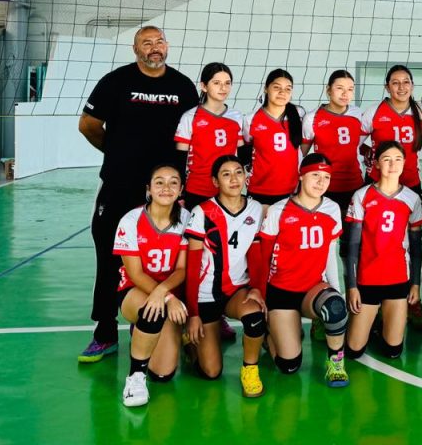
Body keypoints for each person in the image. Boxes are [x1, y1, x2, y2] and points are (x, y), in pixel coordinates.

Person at [77, 25, 198, 363]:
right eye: (147, 43)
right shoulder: (115, 81)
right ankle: (105, 332)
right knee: (108, 256)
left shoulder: (183, 86)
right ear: (136, 49)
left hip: (166, 191)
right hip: (120, 186)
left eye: (160, 42)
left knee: (177, 258)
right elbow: (88, 124)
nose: (154, 48)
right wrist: (115, 153)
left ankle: (191, 319)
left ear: (167, 46)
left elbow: (194, 131)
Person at [256, 153, 351, 387]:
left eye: (326, 177)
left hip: (312, 289)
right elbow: (263, 258)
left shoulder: (332, 209)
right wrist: (263, 297)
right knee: (289, 365)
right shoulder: (279, 210)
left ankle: (336, 363)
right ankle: (270, 335)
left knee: (336, 307)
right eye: (315, 175)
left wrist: (336, 290)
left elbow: (329, 254)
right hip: (282, 292)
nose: (321, 182)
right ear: (301, 176)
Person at [184, 156, 268, 397]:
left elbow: (255, 254)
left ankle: (250, 369)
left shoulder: (255, 208)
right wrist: (193, 314)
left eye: (238, 172)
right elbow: (192, 268)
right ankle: (190, 344)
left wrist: (257, 289)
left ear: (246, 176)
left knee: (255, 317)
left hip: (235, 291)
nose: (234, 179)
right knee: (211, 371)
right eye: (226, 174)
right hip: (205, 295)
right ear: (215, 181)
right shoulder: (202, 212)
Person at [360, 66, 422, 328]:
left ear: (412, 85)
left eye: (406, 82)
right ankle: (377, 303)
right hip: (377, 186)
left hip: (410, 185)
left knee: (412, 244)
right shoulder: (374, 112)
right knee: (376, 243)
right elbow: (358, 143)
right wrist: (369, 158)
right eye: (395, 83)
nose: (401, 87)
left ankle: (413, 301)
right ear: (387, 86)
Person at [113, 163, 190, 407]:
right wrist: (165, 297)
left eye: (173, 182)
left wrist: (165, 293)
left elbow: (182, 270)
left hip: (168, 294)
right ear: (149, 188)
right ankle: (135, 377)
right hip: (134, 291)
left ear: (181, 189)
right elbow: (135, 273)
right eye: (159, 182)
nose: (166, 187)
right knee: (151, 311)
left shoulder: (186, 219)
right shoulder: (130, 220)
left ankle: (147, 332)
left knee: (163, 374)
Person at [344, 141, 422, 359]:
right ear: (377, 164)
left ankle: (381, 320)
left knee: (393, 351)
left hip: (397, 279)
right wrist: (352, 287)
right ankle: (370, 321)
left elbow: (416, 247)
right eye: (386, 159)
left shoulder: (412, 198)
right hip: (367, 279)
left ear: (404, 163)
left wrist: (415, 284)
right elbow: (352, 246)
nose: (392, 164)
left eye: (398, 159)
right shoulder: (362, 196)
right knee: (354, 351)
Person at [175, 62, 247, 209]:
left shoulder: (237, 117)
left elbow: (242, 155)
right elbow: (179, 159)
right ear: (204, 86)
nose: (223, 88)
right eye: (216, 83)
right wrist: (180, 193)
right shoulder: (190, 117)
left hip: (227, 190)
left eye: (227, 83)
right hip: (197, 190)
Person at [301, 70, 368, 223]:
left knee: (352, 234)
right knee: (328, 231)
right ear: (328, 90)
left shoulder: (358, 114)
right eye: (339, 88)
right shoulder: (312, 118)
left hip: (354, 184)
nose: (345, 94)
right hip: (324, 186)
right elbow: (301, 155)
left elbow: (356, 144)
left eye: (350, 89)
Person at [247, 69, 305, 210]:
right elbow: (246, 154)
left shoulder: (299, 115)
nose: (282, 92)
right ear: (266, 88)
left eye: (288, 89)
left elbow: (302, 150)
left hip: (291, 190)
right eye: (277, 87)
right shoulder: (251, 119)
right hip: (259, 190)